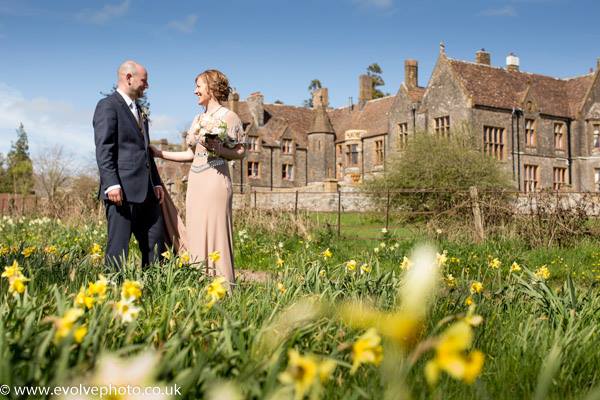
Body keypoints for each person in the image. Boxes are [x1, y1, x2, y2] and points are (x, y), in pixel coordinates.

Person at [151, 69, 246, 285]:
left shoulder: (229, 117)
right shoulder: (197, 118)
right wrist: (158, 153)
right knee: (196, 231)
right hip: (196, 182)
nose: (195, 91)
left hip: (215, 180)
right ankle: (199, 283)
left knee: (215, 231)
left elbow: (241, 152)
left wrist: (218, 149)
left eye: (198, 86)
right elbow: (191, 154)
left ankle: (221, 286)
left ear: (211, 87)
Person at [94, 60, 165, 269]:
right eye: (144, 80)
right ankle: (111, 293)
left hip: (147, 191)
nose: (147, 85)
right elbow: (104, 147)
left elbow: (145, 150)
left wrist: (157, 182)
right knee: (118, 247)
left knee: (155, 241)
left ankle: (155, 288)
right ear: (128, 78)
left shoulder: (139, 110)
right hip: (121, 190)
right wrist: (111, 184)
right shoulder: (108, 106)